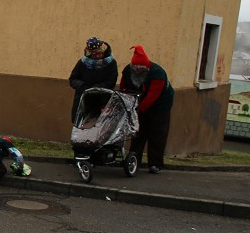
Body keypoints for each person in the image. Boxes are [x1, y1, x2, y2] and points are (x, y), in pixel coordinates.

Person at [119, 45, 174, 173]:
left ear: (146, 67)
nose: (137, 70)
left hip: (160, 105)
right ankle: (134, 161)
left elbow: (152, 96)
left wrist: (139, 109)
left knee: (157, 133)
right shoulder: (128, 70)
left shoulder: (158, 73)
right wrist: (126, 102)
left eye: (140, 68)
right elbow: (124, 87)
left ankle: (155, 164)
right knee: (138, 132)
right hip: (138, 100)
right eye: (135, 68)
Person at [69, 37, 118, 120]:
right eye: (94, 55)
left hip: (102, 100)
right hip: (83, 100)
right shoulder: (82, 62)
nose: (98, 56)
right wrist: (83, 86)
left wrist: (97, 87)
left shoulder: (111, 63)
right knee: (81, 127)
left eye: (99, 53)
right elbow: (73, 79)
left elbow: (111, 81)